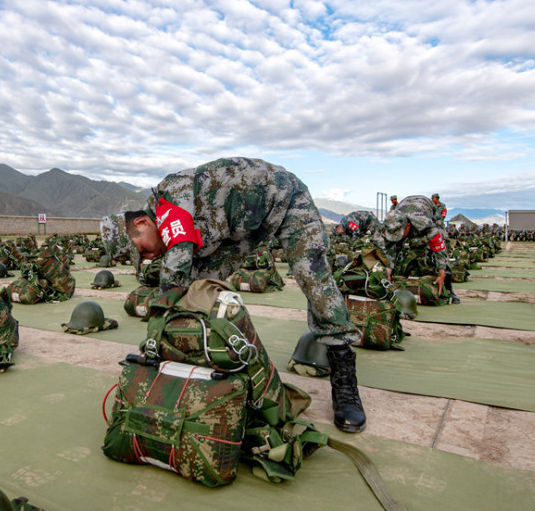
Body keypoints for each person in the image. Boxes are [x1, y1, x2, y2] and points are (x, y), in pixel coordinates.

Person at [122, 157, 366, 432]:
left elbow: (175, 268)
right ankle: (195, 361)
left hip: (285, 199)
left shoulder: (170, 198)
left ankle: (345, 380)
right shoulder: (171, 217)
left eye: (142, 249)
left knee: (312, 276)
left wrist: (154, 336)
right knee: (199, 287)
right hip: (244, 227)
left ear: (143, 221)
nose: (149, 256)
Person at [370, 195, 459, 303]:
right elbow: (390, 248)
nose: (399, 237)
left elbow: (439, 248)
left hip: (428, 210)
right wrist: (389, 268)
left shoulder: (425, 224)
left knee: (442, 252)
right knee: (396, 250)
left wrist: (442, 272)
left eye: (400, 234)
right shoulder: (390, 222)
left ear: (408, 226)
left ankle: (449, 290)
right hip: (406, 206)